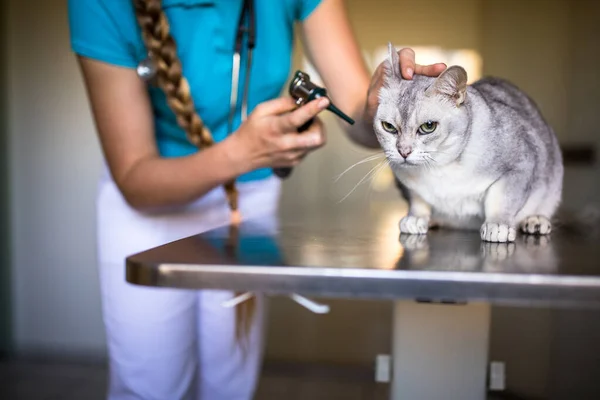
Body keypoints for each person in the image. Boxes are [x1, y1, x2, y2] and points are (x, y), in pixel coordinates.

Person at [68, 0, 445, 398]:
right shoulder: (100, 6)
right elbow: (135, 179)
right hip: (152, 200)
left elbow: (357, 115)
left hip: (248, 201)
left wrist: (380, 106)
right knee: (147, 385)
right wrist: (241, 153)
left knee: (231, 379)